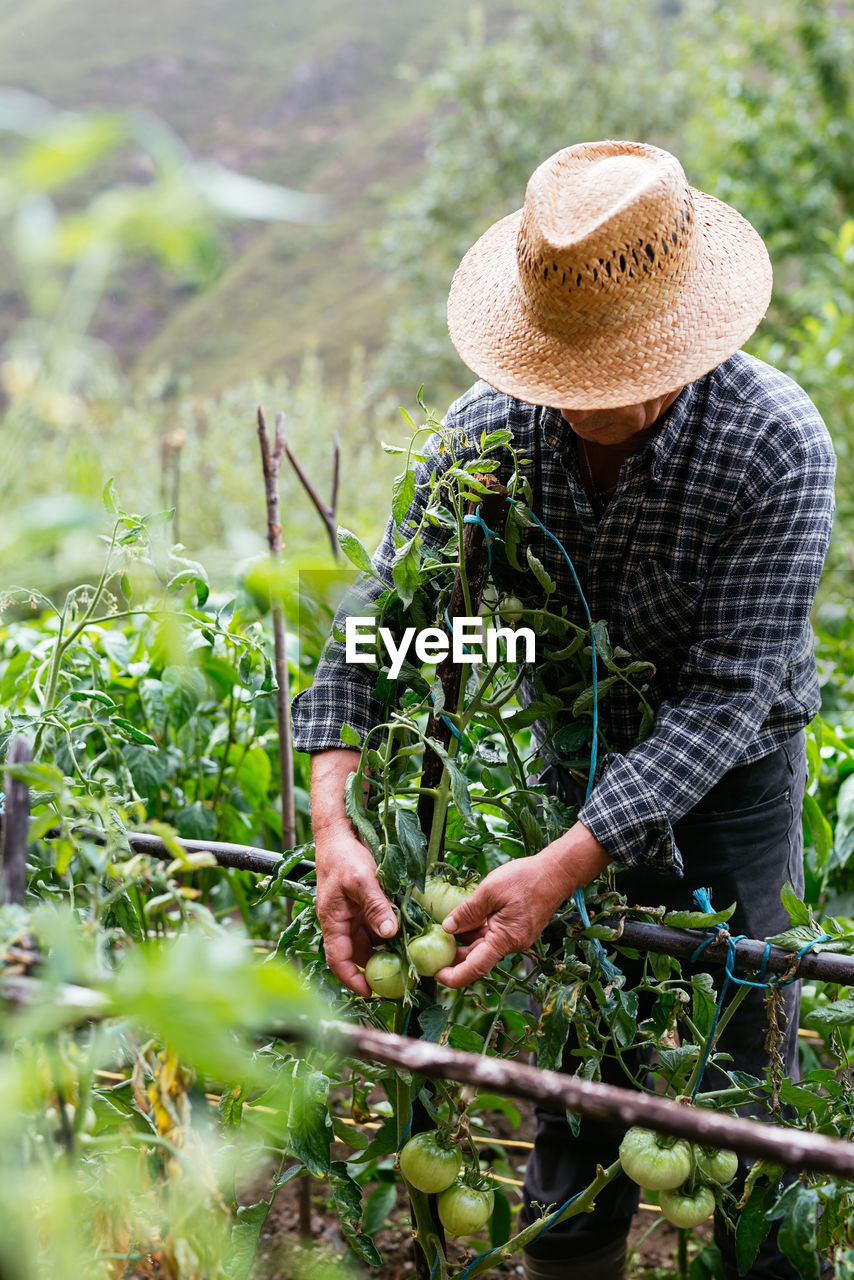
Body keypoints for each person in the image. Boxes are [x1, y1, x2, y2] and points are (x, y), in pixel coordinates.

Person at [291, 141, 836, 1279]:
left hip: (735, 769)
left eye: (616, 367)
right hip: (575, 752)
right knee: (586, 1025)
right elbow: (383, 627)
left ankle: (748, 1244)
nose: (584, 403)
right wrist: (332, 820)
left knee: (741, 1010)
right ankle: (569, 1248)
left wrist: (564, 858)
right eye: (564, 371)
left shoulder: (772, 444)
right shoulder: (483, 437)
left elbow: (725, 694)